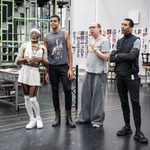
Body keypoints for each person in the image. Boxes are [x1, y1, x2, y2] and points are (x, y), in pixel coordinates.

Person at [110, 18, 148, 144]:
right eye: (121, 24)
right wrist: (121, 56)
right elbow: (111, 58)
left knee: (135, 103)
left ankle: (138, 131)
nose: (122, 26)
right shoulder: (119, 41)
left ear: (131, 27)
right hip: (119, 76)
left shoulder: (136, 40)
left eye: (125, 25)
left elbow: (132, 56)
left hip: (131, 76)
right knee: (124, 103)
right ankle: (127, 127)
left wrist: (119, 55)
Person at [44, 15, 76, 128]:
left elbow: (69, 51)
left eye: (54, 21)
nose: (52, 23)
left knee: (67, 90)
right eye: (51, 21)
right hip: (52, 67)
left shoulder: (65, 34)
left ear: (59, 22)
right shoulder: (46, 37)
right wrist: (47, 71)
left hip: (64, 66)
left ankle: (69, 117)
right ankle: (57, 116)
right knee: (54, 91)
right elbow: (46, 55)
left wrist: (70, 68)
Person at [76, 22, 110, 128]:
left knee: (98, 98)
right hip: (89, 71)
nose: (91, 29)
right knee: (85, 96)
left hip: (100, 72)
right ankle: (84, 118)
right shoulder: (91, 40)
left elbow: (106, 57)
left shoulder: (104, 41)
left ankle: (97, 120)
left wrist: (96, 49)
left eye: (93, 27)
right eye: (89, 27)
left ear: (99, 29)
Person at [16, 28, 48, 129]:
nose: (33, 35)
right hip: (24, 71)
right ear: (30, 35)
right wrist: (25, 59)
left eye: (36, 34)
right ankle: (32, 119)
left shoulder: (43, 48)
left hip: (34, 72)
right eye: (32, 33)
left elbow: (47, 63)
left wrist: (40, 59)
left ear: (39, 36)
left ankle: (38, 118)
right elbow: (17, 61)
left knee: (33, 98)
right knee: (26, 98)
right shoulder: (24, 46)